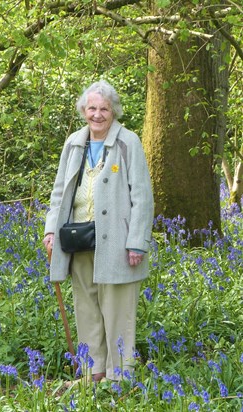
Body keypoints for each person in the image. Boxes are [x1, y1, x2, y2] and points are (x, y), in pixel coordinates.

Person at [43, 80, 154, 382]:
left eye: (104, 109)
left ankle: (119, 376)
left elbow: (142, 195)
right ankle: (94, 371)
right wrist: (51, 230)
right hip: (79, 239)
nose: (98, 114)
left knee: (118, 310)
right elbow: (59, 193)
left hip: (118, 243)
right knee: (87, 308)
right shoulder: (73, 144)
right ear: (83, 110)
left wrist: (138, 243)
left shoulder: (127, 142)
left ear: (113, 111)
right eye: (92, 108)